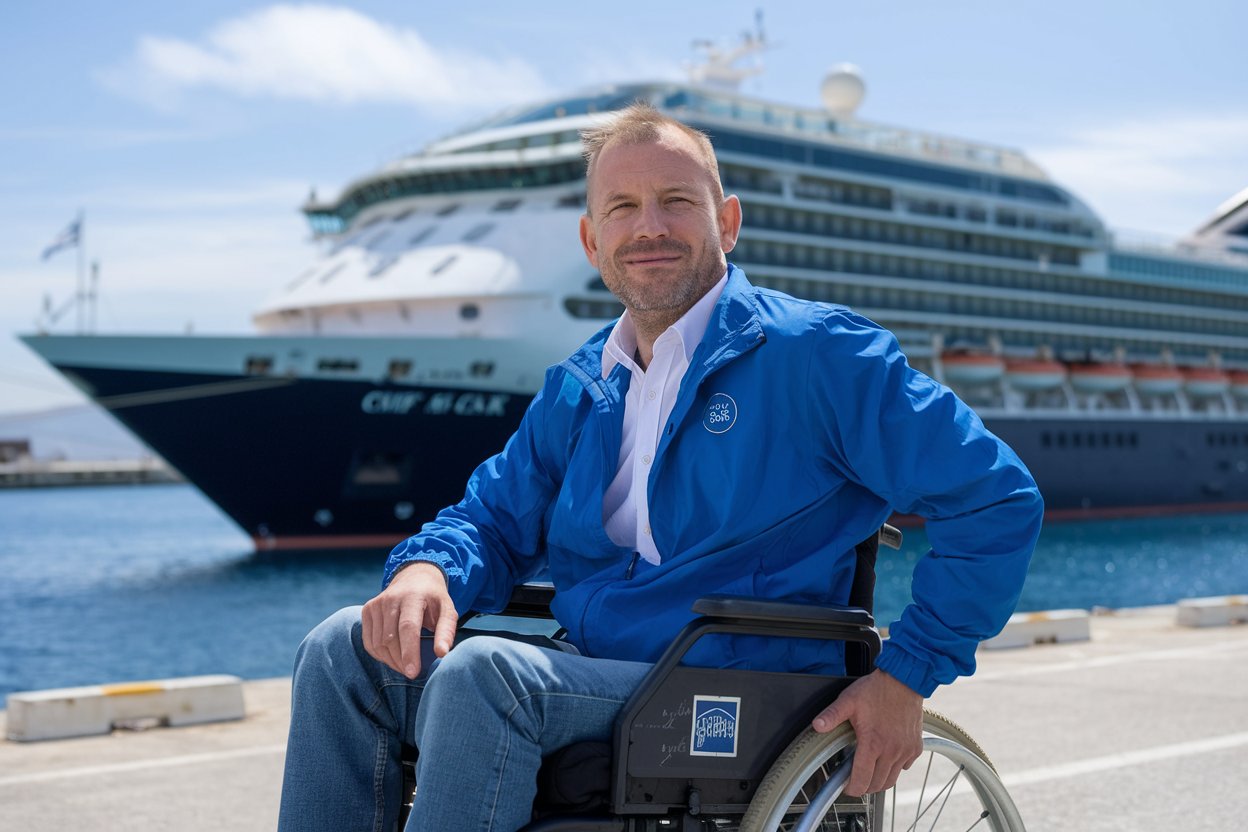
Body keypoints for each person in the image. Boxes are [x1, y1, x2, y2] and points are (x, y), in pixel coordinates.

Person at [278, 104, 1043, 832]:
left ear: (728, 222)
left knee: (488, 675)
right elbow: (491, 519)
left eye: (676, 200)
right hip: (594, 675)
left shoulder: (819, 356)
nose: (648, 226)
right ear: (590, 240)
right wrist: (426, 573)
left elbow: (997, 497)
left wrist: (904, 675)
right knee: (340, 648)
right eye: (622, 207)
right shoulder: (581, 385)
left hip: (742, 685)